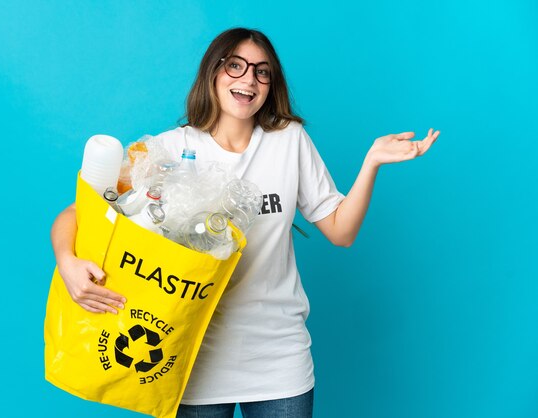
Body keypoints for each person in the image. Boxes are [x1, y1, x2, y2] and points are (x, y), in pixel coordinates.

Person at [50, 27, 439, 418]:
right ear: (212, 73)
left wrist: (371, 161)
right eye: (235, 66)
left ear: (271, 85)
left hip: (279, 360)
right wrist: (68, 262)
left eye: (262, 71)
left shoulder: (289, 141)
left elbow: (341, 231)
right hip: (191, 358)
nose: (249, 79)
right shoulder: (170, 149)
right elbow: (78, 211)